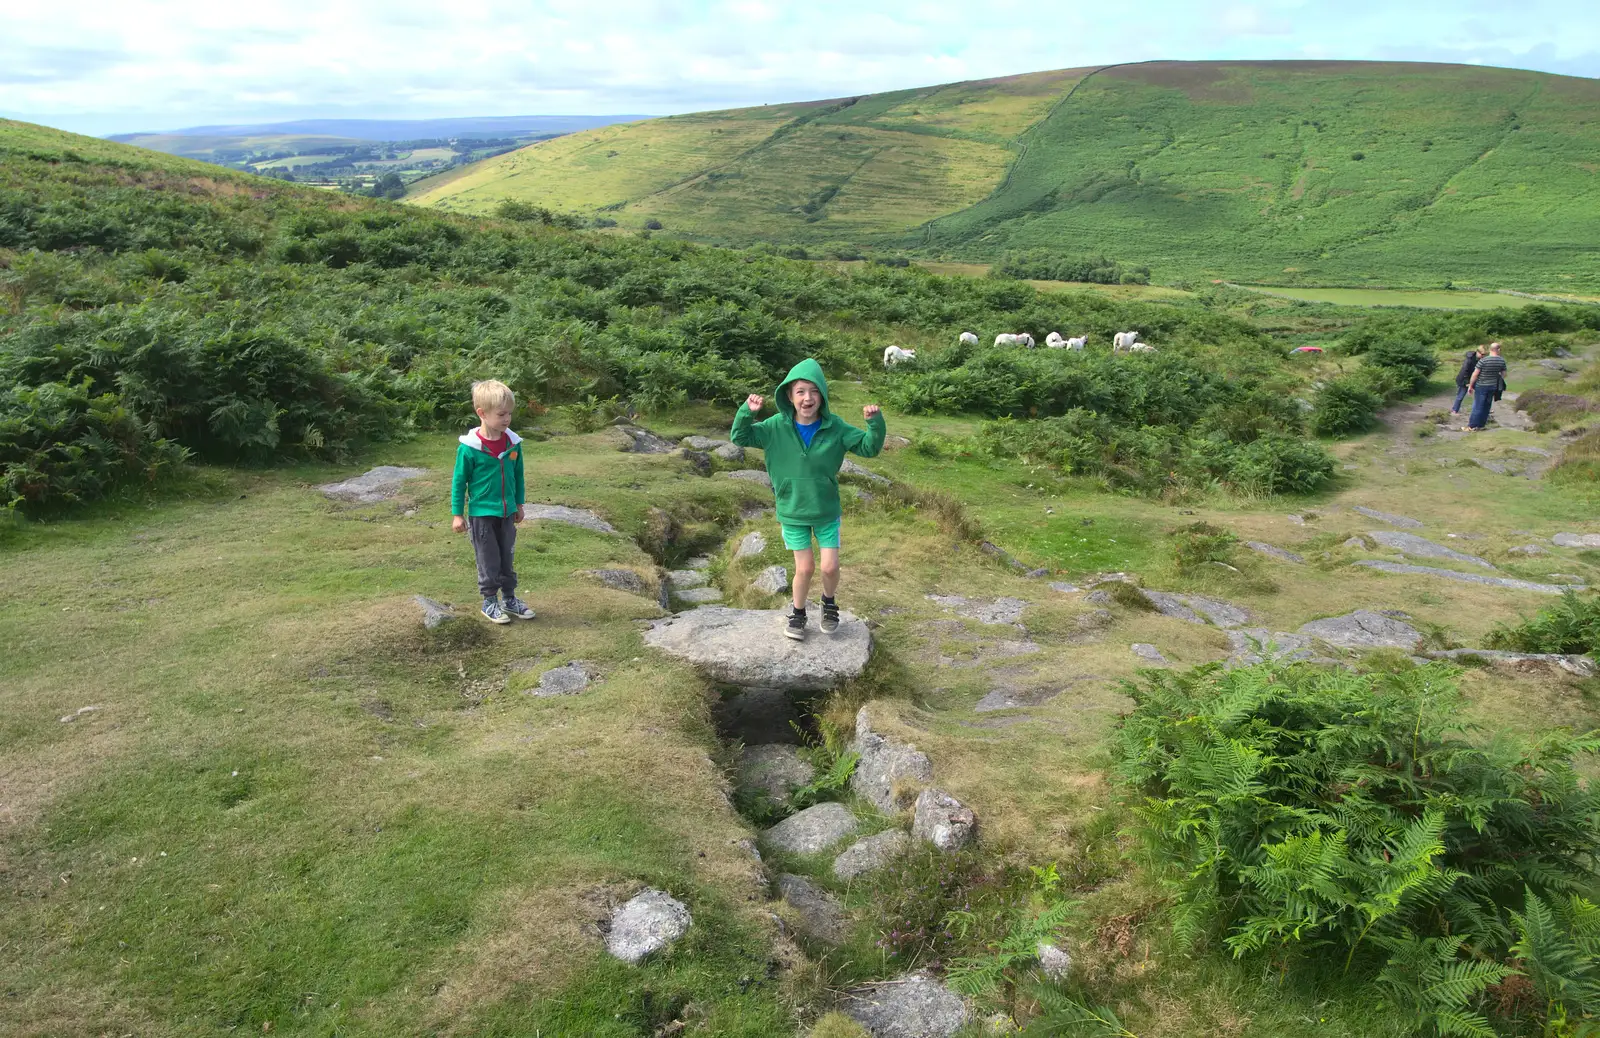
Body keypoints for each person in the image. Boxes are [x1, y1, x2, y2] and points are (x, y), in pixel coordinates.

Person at [731, 358, 886, 640]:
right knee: (805, 568)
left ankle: (828, 603)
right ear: (789, 396)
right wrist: (747, 412)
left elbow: (868, 447)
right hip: (792, 511)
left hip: (826, 510)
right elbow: (740, 436)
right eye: (801, 391)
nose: (807, 398)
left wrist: (874, 424)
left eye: (814, 391)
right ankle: (798, 613)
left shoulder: (835, 427)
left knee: (829, 567)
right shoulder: (774, 427)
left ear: (822, 396)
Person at [451, 379, 536, 624]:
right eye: (501, 414)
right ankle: (489, 602)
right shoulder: (469, 449)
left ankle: (510, 599)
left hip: (507, 512)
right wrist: (458, 514)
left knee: (507, 556)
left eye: (509, 413)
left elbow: (517, 475)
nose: (507, 418)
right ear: (482, 413)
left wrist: (519, 504)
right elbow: (459, 483)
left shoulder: (513, 443)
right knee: (489, 559)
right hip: (482, 514)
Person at [1465, 342, 1507, 432]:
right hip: (1493, 386)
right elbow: (1504, 374)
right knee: (1487, 406)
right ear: (1498, 350)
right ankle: (1481, 425)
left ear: (1490, 350)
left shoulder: (1483, 360)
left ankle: (1471, 426)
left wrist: (1471, 385)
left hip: (1481, 386)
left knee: (1477, 406)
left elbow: (1475, 374)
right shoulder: (1501, 360)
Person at [1451, 345, 1481, 416]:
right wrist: (1467, 382)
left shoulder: (1479, 360)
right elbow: (1465, 370)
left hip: (1473, 379)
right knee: (1461, 395)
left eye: (1484, 355)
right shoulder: (1469, 359)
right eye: (1482, 354)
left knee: (1479, 394)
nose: (1483, 356)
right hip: (1464, 379)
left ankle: (1479, 410)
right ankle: (1454, 410)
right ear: (1478, 352)